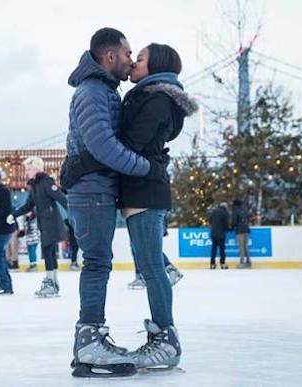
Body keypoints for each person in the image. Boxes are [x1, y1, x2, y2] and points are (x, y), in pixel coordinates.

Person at [62, 28, 170, 378]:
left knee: (98, 263)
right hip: (91, 192)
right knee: (96, 264)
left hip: (97, 190)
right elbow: (104, 147)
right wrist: (147, 168)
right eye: (127, 54)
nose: (130, 61)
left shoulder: (104, 91)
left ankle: (90, 338)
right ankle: (89, 338)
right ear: (110, 56)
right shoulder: (92, 92)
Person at [114, 43, 195, 369]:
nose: (134, 62)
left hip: (146, 193)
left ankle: (166, 338)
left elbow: (130, 142)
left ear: (156, 66)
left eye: (141, 58)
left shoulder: (157, 100)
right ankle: (163, 335)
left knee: (151, 269)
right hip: (140, 191)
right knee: (150, 267)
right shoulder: (149, 96)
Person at [12, 156, 67, 297]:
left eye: (29, 169)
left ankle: (50, 282)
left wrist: (75, 214)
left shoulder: (46, 182)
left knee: (47, 251)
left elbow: (62, 198)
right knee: (48, 252)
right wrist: (14, 214)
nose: (27, 172)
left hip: (52, 223)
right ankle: (53, 282)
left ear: (37, 168)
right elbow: (28, 205)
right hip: (44, 224)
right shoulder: (35, 186)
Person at [128, 216, 184, 289]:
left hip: (148, 214)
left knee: (145, 245)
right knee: (137, 244)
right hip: (137, 214)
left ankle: (171, 269)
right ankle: (140, 276)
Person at [209, 202, 230, 270]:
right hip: (221, 234)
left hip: (213, 233)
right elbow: (226, 223)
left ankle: (212, 264)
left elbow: (210, 220)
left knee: (214, 249)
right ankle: (222, 263)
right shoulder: (225, 212)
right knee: (222, 249)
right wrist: (228, 229)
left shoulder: (214, 211)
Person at [232, 199, 251, 269]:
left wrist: (232, 227)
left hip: (240, 231)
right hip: (247, 230)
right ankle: (248, 261)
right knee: (245, 246)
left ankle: (242, 262)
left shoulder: (235, 211)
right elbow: (249, 218)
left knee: (241, 247)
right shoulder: (245, 210)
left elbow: (234, 222)